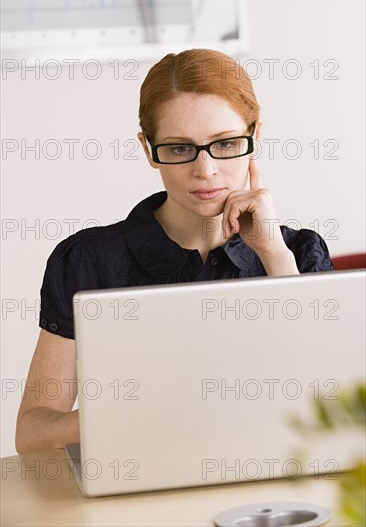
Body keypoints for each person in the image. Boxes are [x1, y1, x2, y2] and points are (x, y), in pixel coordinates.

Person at [15, 49, 333, 453]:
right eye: (180, 149)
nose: (205, 170)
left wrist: (274, 255)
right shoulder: (87, 260)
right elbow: (31, 434)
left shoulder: (299, 254)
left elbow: (330, 411)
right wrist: (129, 409)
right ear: (149, 149)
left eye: (225, 143)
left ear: (255, 138)